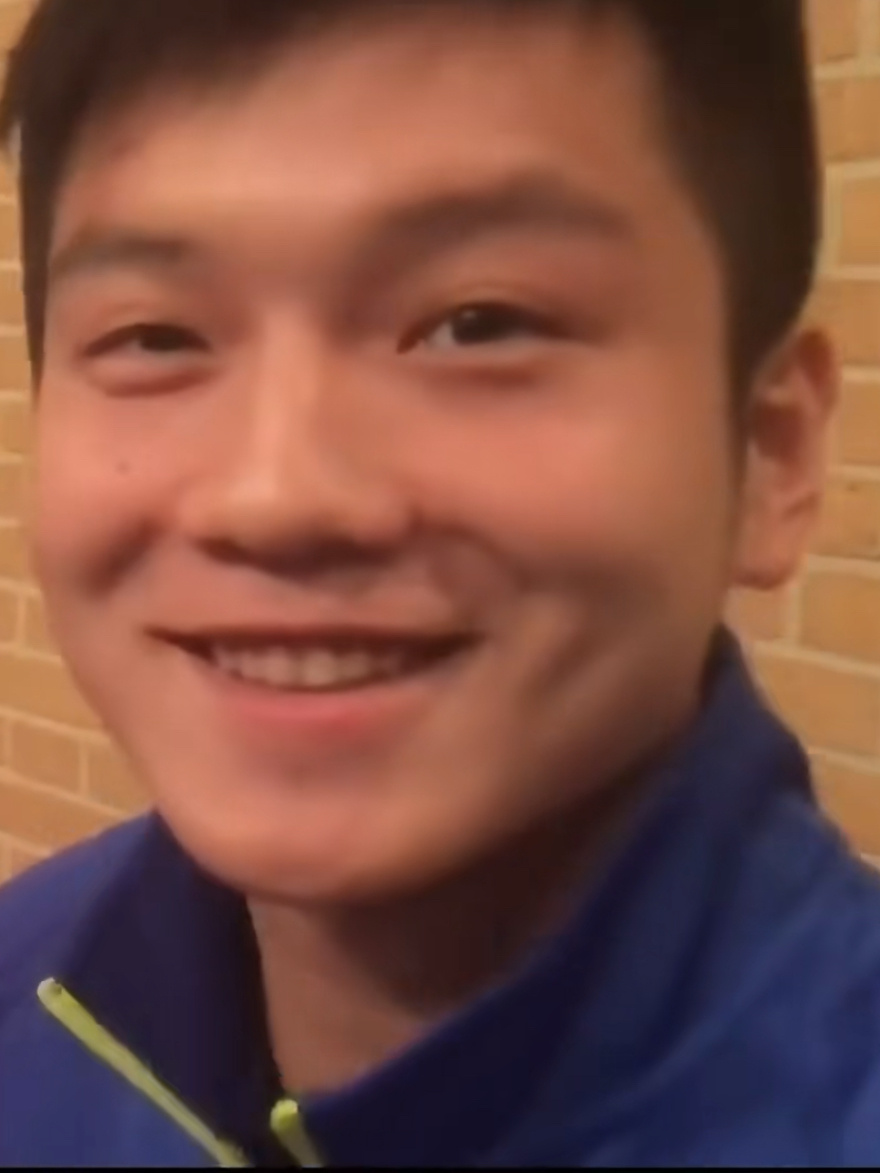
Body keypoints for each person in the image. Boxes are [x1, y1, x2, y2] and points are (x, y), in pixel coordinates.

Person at [0, 0, 871, 1165]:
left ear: (769, 453)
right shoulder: (27, 995)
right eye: (155, 338)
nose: (275, 497)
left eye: (478, 323)